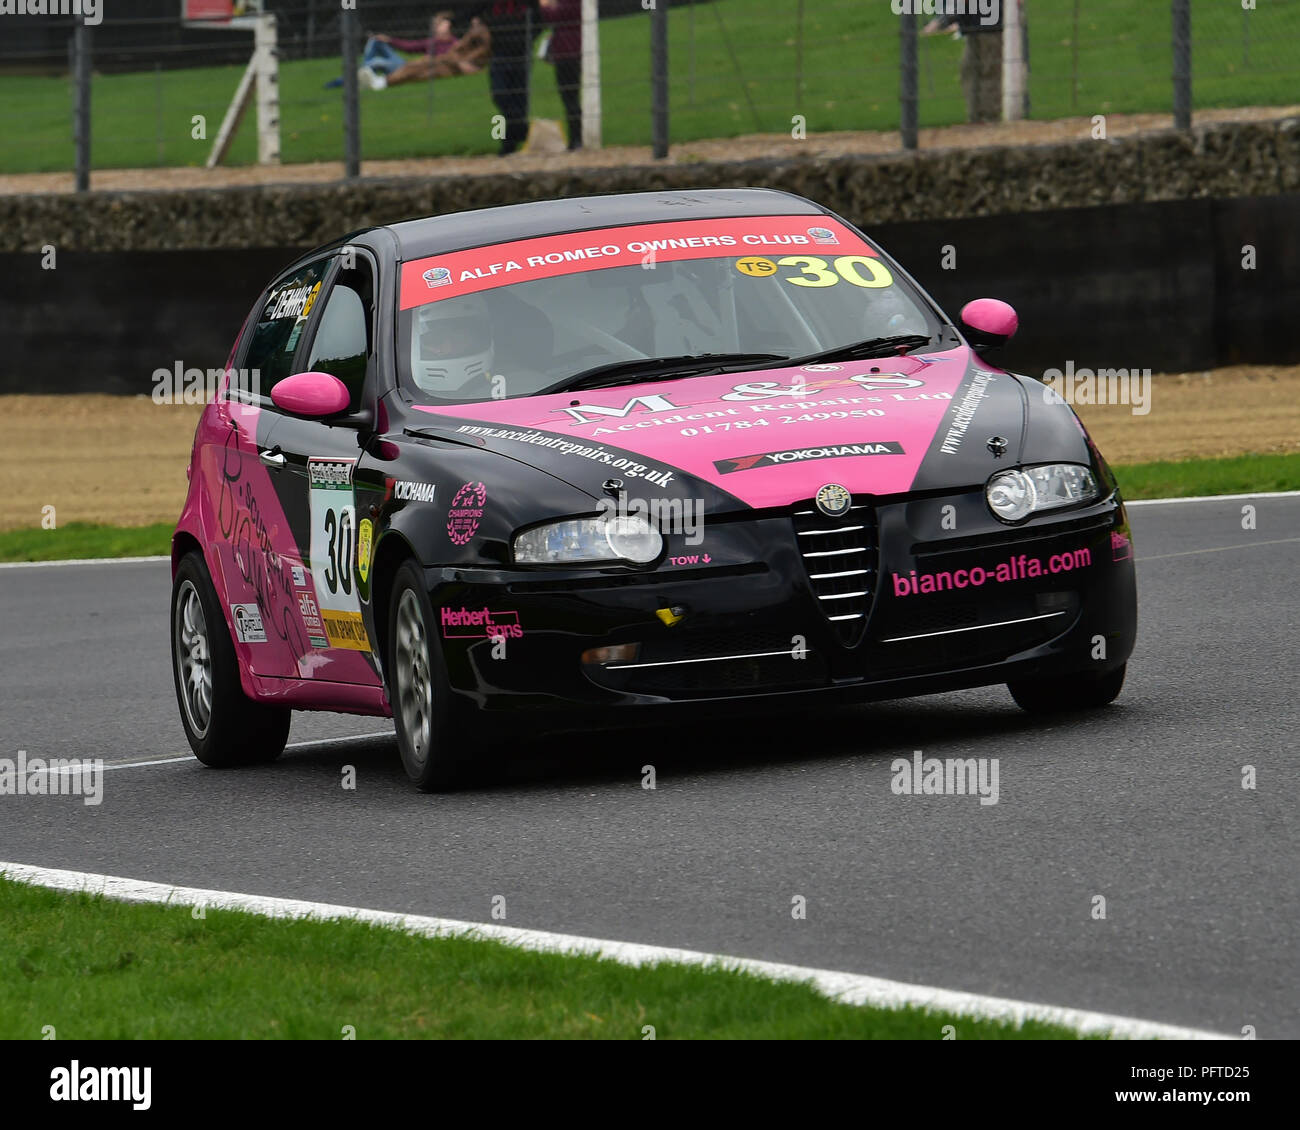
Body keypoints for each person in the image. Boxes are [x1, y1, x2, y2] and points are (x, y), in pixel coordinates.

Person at [355, 12, 490, 91]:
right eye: (438, 25)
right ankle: (365, 77)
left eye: (442, 24)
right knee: (378, 45)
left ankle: (367, 78)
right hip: (418, 65)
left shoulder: (456, 43)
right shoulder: (432, 42)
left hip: (430, 66)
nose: (438, 27)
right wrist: (390, 40)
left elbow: (460, 59)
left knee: (381, 63)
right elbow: (409, 46)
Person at [474, 1, 542, 156]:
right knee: (500, 95)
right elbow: (475, 11)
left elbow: (539, 20)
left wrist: (528, 39)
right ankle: (520, 129)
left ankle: (507, 144)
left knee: (519, 98)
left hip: (521, 53)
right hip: (499, 53)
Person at [922, 6, 1004, 124]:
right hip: (973, 27)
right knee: (969, 71)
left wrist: (942, 21)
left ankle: (989, 117)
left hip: (990, 27)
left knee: (988, 72)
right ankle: (975, 117)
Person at [540, 0, 582, 150]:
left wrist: (544, 5)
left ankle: (576, 139)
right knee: (570, 96)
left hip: (567, 53)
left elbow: (553, 16)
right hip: (570, 51)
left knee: (569, 96)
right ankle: (576, 138)